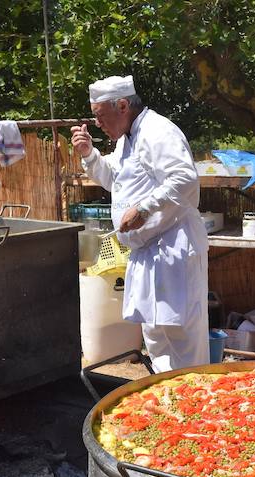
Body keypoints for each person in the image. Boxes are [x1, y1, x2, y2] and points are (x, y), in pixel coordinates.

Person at [71, 75, 209, 373]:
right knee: (156, 337)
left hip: (173, 247)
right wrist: (89, 155)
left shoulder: (158, 131)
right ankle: (166, 400)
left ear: (122, 105)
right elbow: (115, 181)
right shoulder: (127, 140)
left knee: (180, 337)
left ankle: (192, 405)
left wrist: (144, 210)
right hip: (148, 253)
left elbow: (184, 178)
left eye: (100, 116)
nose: (97, 124)